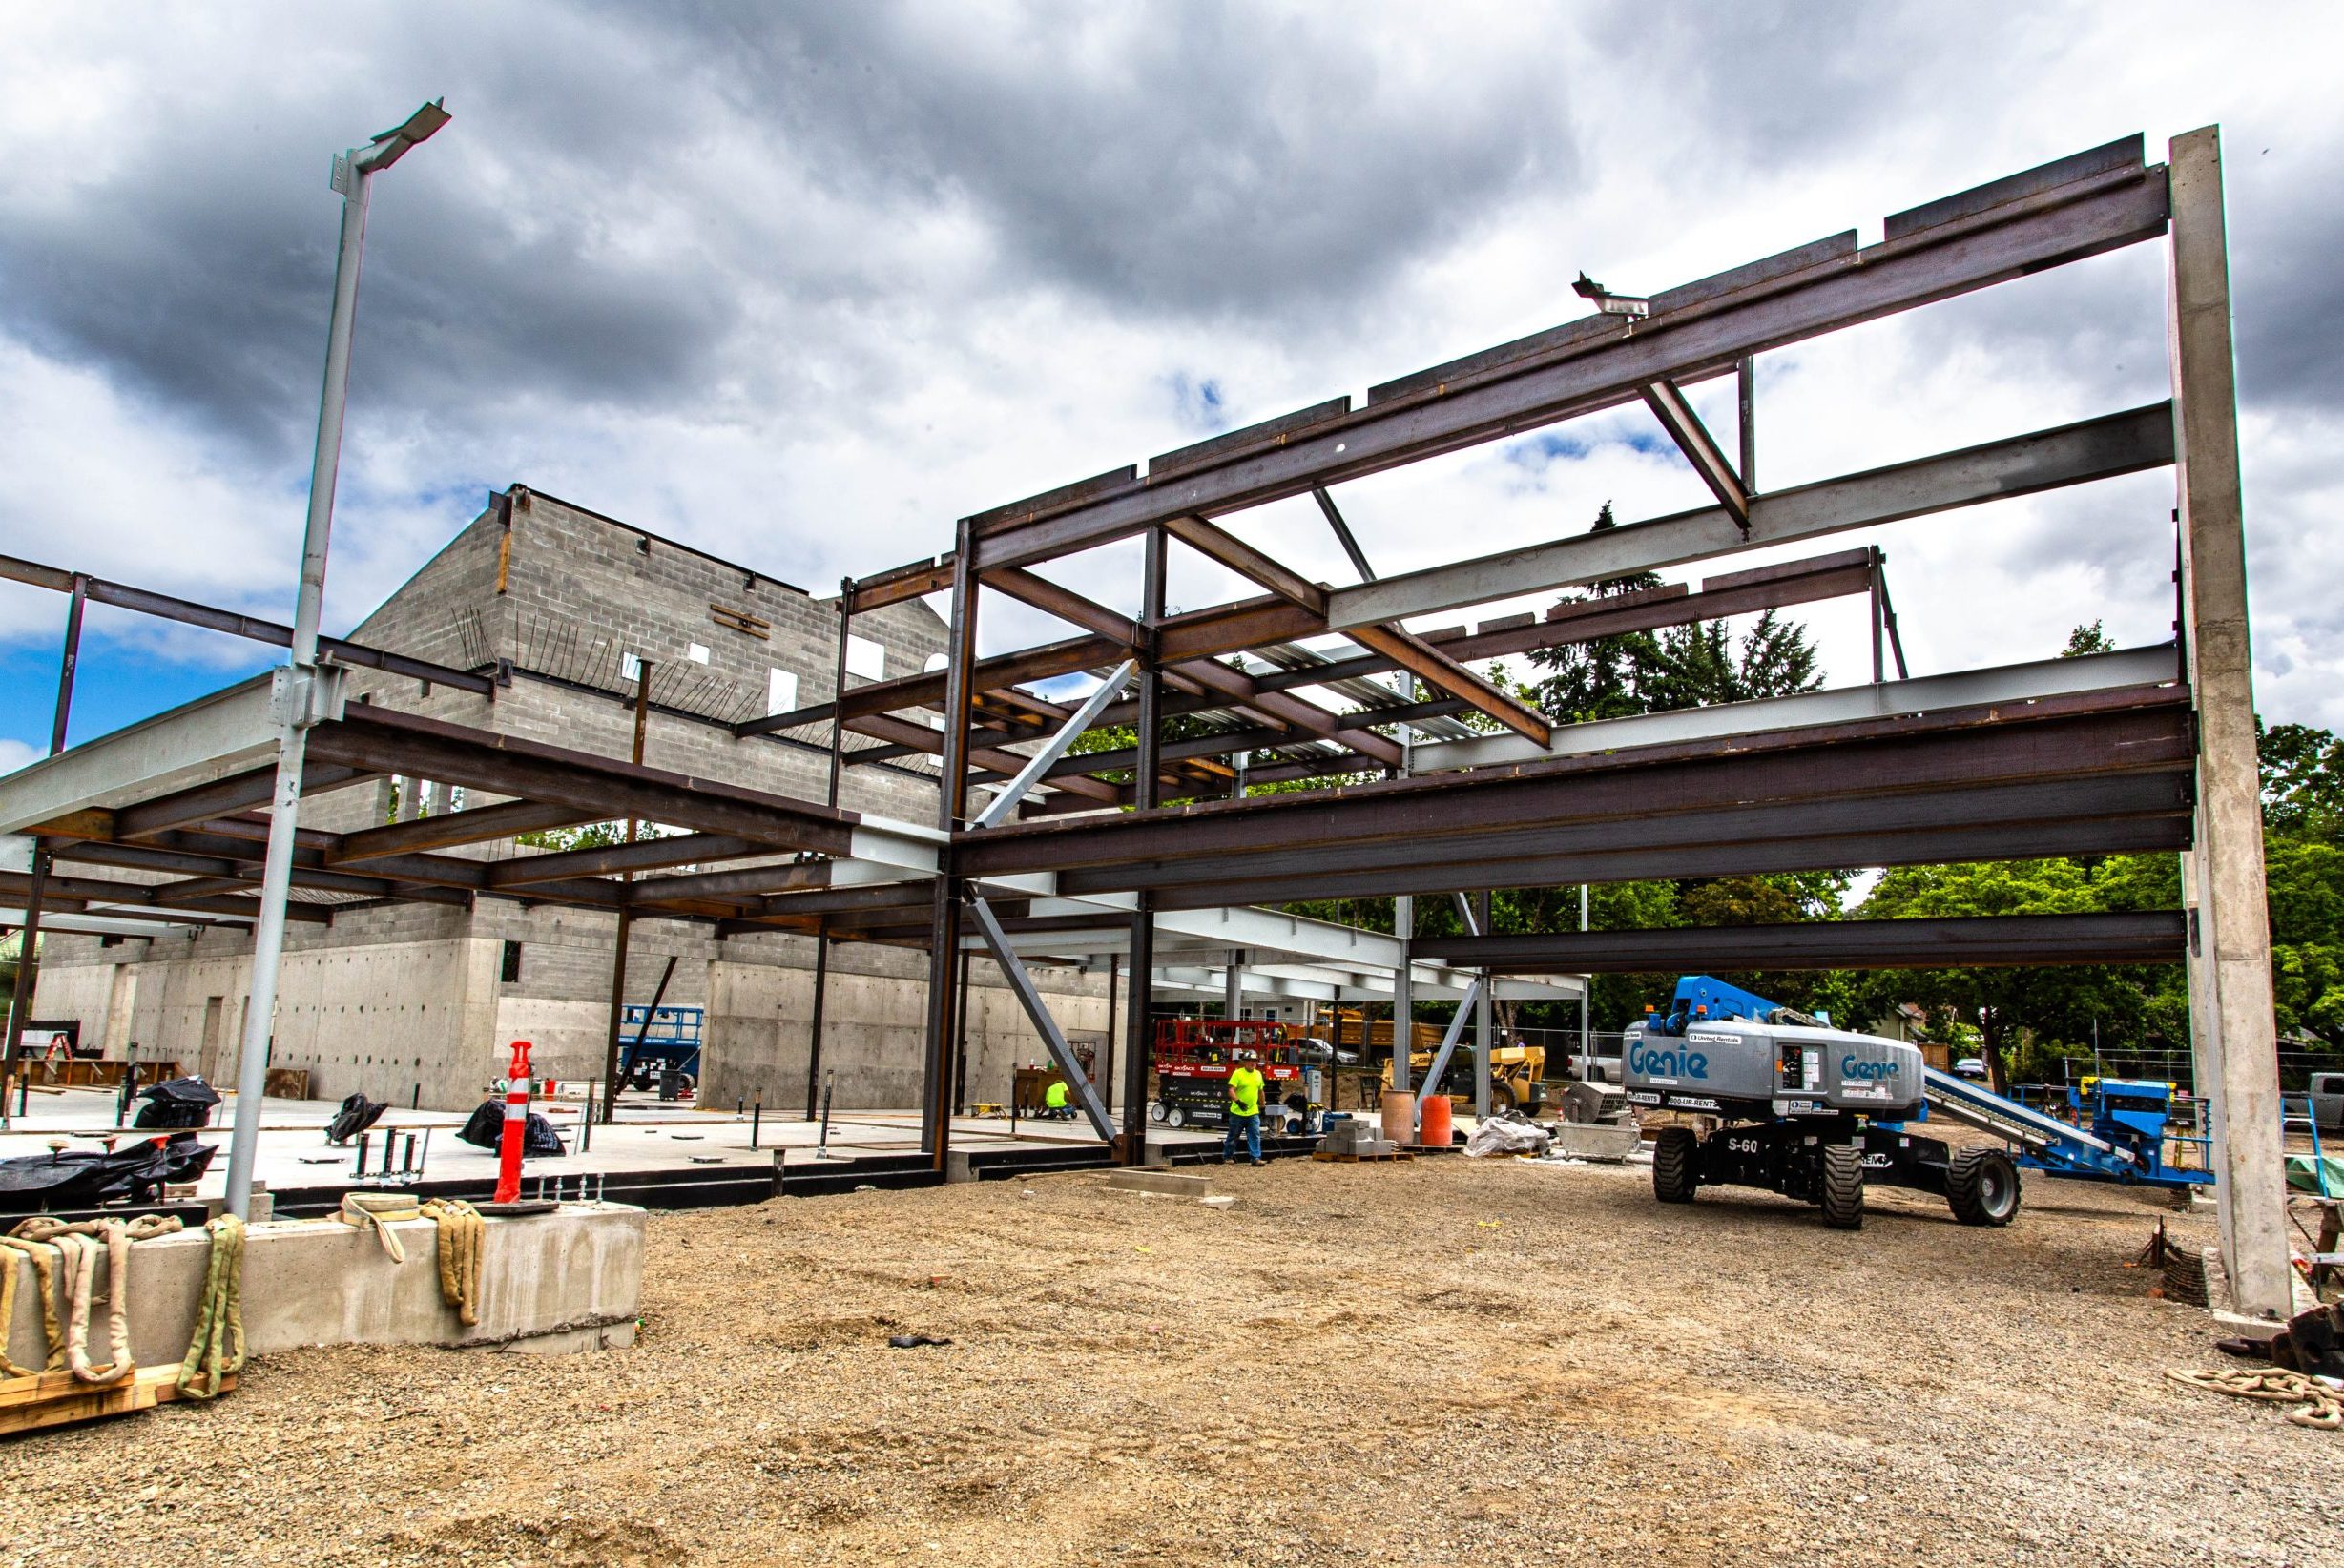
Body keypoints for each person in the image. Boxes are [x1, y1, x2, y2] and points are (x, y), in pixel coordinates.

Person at [1223, 1050, 1265, 1166]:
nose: (1252, 1063)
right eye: (1250, 1061)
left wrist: (1262, 1106)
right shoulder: (1238, 1074)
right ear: (1245, 1062)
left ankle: (1255, 1158)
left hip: (1252, 1112)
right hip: (1237, 1112)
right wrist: (1238, 1101)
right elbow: (1231, 1090)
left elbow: (1261, 1091)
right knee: (1233, 1136)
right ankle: (1228, 1156)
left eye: (1255, 1061)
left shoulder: (1258, 1074)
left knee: (1255, 1135)